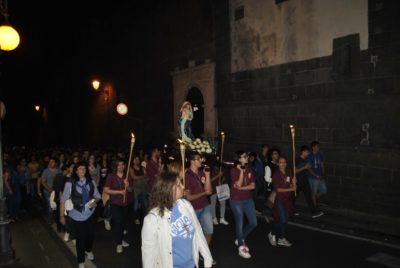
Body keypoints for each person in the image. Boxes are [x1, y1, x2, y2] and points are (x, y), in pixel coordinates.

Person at [142, 170, 213, 268]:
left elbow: (198, 231)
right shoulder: (152, 220)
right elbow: (148, 255)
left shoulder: (185, 205)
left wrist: (208, 258)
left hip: (192, 265)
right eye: (179, 185)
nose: (183, 186)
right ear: (169, 189)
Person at [60, 162, 101, 268]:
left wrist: (95, 202)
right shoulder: (70, 184)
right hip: (77, 216)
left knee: (90, 235)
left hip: (90, 214)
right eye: (79, 168)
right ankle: (81, 260)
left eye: (84, 168)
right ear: (76, 171)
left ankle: (88, 250)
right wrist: (61, 216)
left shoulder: (91, 182)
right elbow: (63, 201)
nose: (82, 170)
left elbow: (98, 196)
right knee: (80, 238)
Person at [230, 151, 258, 259]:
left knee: (254, 223)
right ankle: (241, 247)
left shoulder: (250, 169)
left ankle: (240, 238)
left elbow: (252, 186)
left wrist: (241, 188)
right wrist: (241, 172)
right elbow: (238, 183)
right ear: (239, 159)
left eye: (247, 156)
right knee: (240, 223)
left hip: (247, 199)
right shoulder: (233, 170)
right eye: (245, 156)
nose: (247, 157)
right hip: (236, 200)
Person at [103, 159, 134, 253]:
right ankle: (119, 243)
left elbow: (130, 190)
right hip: (115, 203)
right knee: (118, 222)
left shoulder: (127, 175)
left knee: (122, 223)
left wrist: (128, 185)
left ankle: (120, 239)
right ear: (115, 166)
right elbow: (106, 190)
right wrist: (119, 192)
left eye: (122, 164)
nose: (121, 166)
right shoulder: (111, 176)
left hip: (126, 203)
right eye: (118, 165)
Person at [184, 152, 213, 245]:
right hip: (193, 209)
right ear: (192, 161)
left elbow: (210, 191)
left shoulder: (202, 173)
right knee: (191, 234)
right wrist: (204, 193)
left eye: (201, 158)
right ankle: (192, 254)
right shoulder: (186, 175)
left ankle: (204, 252)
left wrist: (207, 175)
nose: (201, 160)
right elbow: (188, 197)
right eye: (198, 159)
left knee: (209, 231)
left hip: (205, 206)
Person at [268, 157, 296, 247]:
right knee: (282, 219)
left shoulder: (289, 172)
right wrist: (291, 188)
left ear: (286, 163)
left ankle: (281, 238)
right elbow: (278, 189)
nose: (282, 164)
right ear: (278, 164)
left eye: (284, 162)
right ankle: (272, 234)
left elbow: (291, 185)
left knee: (285, 220)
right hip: (279, 199)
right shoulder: (276, 174)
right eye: (280, 162)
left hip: (287, 200)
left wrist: (294, 183)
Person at [295, 146, 324, 218]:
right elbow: (295, 171)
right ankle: (290, 210)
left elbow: (308, 169)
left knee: (309, 197)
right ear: (303, 152)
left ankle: (314, 212)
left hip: (305, 180)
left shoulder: (306, 159)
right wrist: (304, 167)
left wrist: (315, 174)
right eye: (307, 152)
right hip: (298, 181)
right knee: (293, 197)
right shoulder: (297, 159)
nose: (308, 153)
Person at [307, 141, 327, 209]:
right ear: (313, 147)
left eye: (319, 146)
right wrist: (315, 175)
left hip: (320, 176)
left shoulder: (319, 155)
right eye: (317, 146)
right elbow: (309, 168)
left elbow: (322, 164)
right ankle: (315, 207)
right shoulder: (310, 156)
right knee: (314, 192)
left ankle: (314, 199)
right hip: (313, 177)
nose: (318, 148)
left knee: (324, 190)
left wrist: (323, 174)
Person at [129, 155, 148, 225]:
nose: (137, 161)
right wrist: (143, 176)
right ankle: (135, 218)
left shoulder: (142, 167)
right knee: (136, 206)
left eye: (138, 159)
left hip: (144, 188)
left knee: (145, 205)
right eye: (135, 159)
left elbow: (147, 174)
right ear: (133, 161)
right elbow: (134, 177)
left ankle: (146, 218)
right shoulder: (131, 168)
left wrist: (142, 176)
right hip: (136, 189)